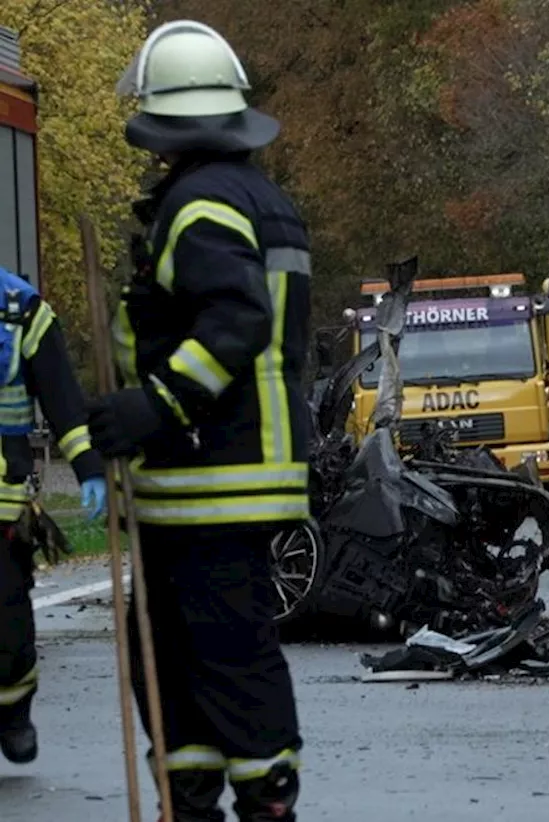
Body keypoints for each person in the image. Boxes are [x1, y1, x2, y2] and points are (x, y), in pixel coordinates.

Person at [87, 19, 311, 822]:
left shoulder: (199, 205)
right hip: (232, 477)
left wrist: (153, 406)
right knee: (194, 665)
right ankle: (213, 798)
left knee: (213, 663)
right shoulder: (259, 198)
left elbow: (236, 322)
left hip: (205, 477)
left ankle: (243, 804)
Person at [0, 265, 107, 764]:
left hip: (3, 499)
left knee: (8, 624)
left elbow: (61, 399)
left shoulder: (20, 309)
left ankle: (13, 709)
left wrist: (87, 467)